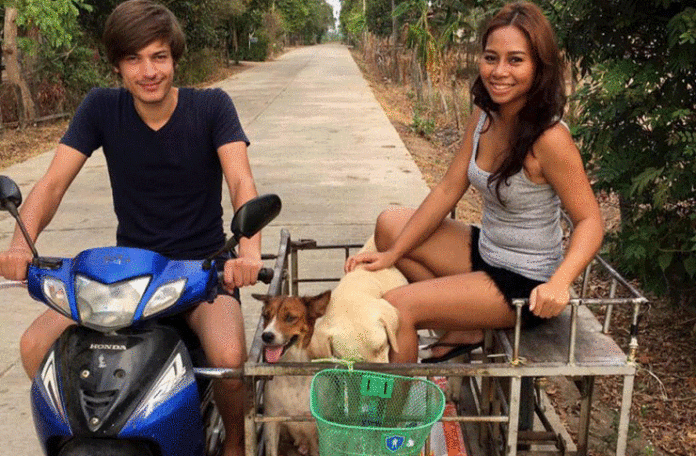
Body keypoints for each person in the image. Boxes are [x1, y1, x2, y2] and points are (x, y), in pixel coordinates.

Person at [0, 1, 260, 455]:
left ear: (174, 58)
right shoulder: (101, 108)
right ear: (117, 65)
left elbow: (241, 181)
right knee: (32, 346)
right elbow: (53, 183)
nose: (148, 71)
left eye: (159, 56)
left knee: (228, 361)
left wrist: (248, 252)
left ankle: (235, 441)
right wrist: (21, 245)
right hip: (125, 278)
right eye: (134, 59)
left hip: (202, 273)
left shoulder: (212, 107)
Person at [345, 1, 604, 364]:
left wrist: (559, 283)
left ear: (539, 67)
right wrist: (392, 253)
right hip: (487, 249)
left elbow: (591, 221)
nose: (499, 71)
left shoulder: (549, 139)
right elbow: (448, 188)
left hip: (523, 282)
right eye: (490, 57)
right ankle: (465, 324)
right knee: (389, 225)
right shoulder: (485, 114)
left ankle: (395, 415)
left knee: (398, 307)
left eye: (515, 60)